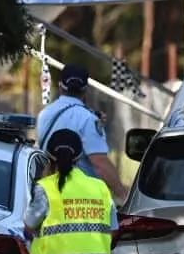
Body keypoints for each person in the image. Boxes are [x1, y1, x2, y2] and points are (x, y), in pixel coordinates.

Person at [36, 63, 128, 203]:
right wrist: (123, 195)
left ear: (60, 86)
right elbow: (99, 163)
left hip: (49, 196)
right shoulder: (88, 120)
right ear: (86, 90)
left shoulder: (44, 115)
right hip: (80, 200)